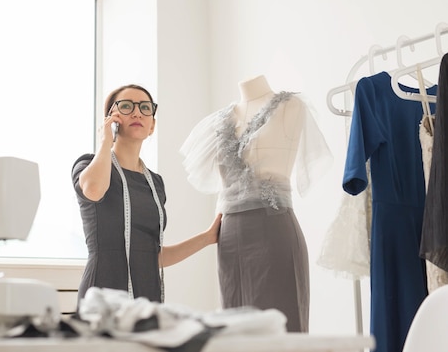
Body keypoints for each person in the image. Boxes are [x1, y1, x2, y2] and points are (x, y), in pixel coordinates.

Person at [180, 75, 332, 332]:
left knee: (284, 323)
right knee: (235, 329)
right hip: (230, 237)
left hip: (275, 228)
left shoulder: (291, 106)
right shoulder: (218, 122)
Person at [71, 84, 222, 304]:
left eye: (145, 107)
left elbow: (153, 257)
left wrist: (207, 238)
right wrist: (106, 141)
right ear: (110, 121)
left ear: (152, 126)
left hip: (147, 295)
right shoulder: (87, 164)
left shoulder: (155, 183)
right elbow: (94, 190)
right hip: (102, 295)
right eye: (126, 106)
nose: (136, 112)